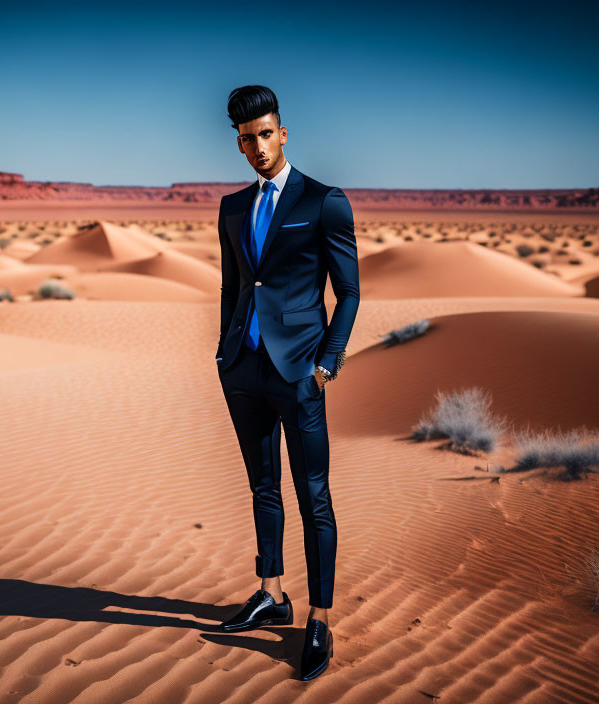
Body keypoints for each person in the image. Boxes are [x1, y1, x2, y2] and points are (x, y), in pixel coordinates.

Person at [214, 84, 359, 681]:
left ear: (283, 132)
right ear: (239, 142)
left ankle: (319, 618)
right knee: (262, 487)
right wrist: (224, 352)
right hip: (244, 370)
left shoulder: (324, 200)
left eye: (265, 134)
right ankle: (272, 592)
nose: (257, 147)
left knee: (314, 497)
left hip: (301, 372)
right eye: (246, 139)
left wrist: (327, 363)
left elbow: (348, 291)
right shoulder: (231, 207)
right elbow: (234, 288)